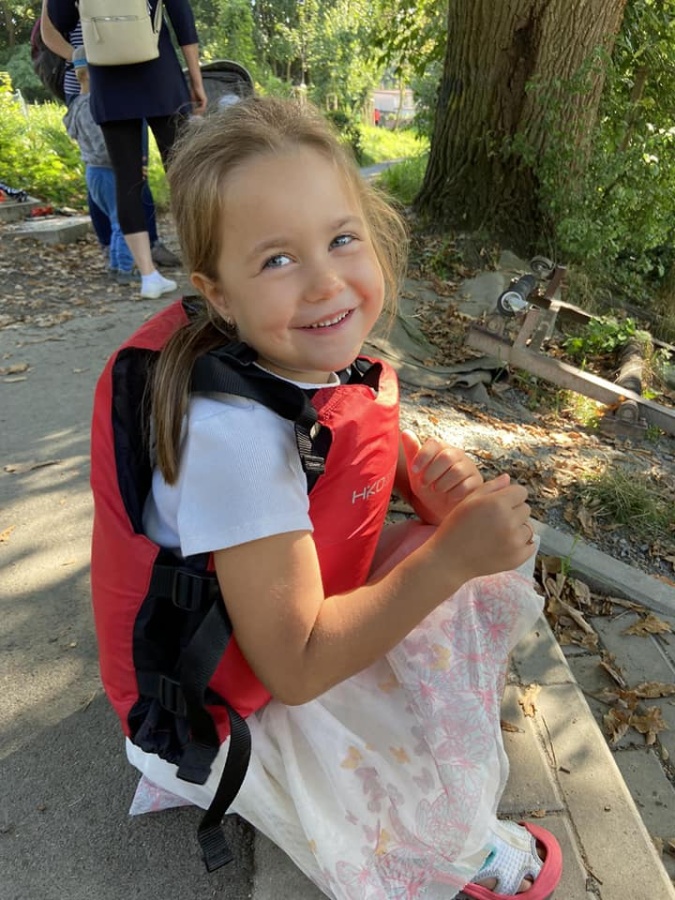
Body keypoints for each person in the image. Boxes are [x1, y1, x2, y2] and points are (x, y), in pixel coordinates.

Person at [121, 97, 563, 898]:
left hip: (274, 622)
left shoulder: (296, 356)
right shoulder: (234, 444)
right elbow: (292, 670)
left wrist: (420, 479)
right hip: (218, 705)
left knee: (451, 570)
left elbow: (341, 444)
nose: (326, 281)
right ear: (218, 294)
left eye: (340, 239)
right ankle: (452, 845)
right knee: (444, 584)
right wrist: (449, 557)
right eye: (276, 260)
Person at [47, 0, 206, 300]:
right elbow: (182, 18)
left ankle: (148, 276)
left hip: (108, 79)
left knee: (127, 178)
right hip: (161, 74)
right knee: (185, 173)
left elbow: (59, 21)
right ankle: (204, 262)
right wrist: (196, 80)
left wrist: (82, 54)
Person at [63, 48, 138, 281]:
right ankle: (125, 268)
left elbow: (73, 133)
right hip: (107, 170)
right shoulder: (92, 106)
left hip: (92, 171)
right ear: (89, 74)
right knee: (122, 220)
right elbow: (102, 146)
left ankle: (116, 265)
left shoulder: (75, 105)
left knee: (115, 219)